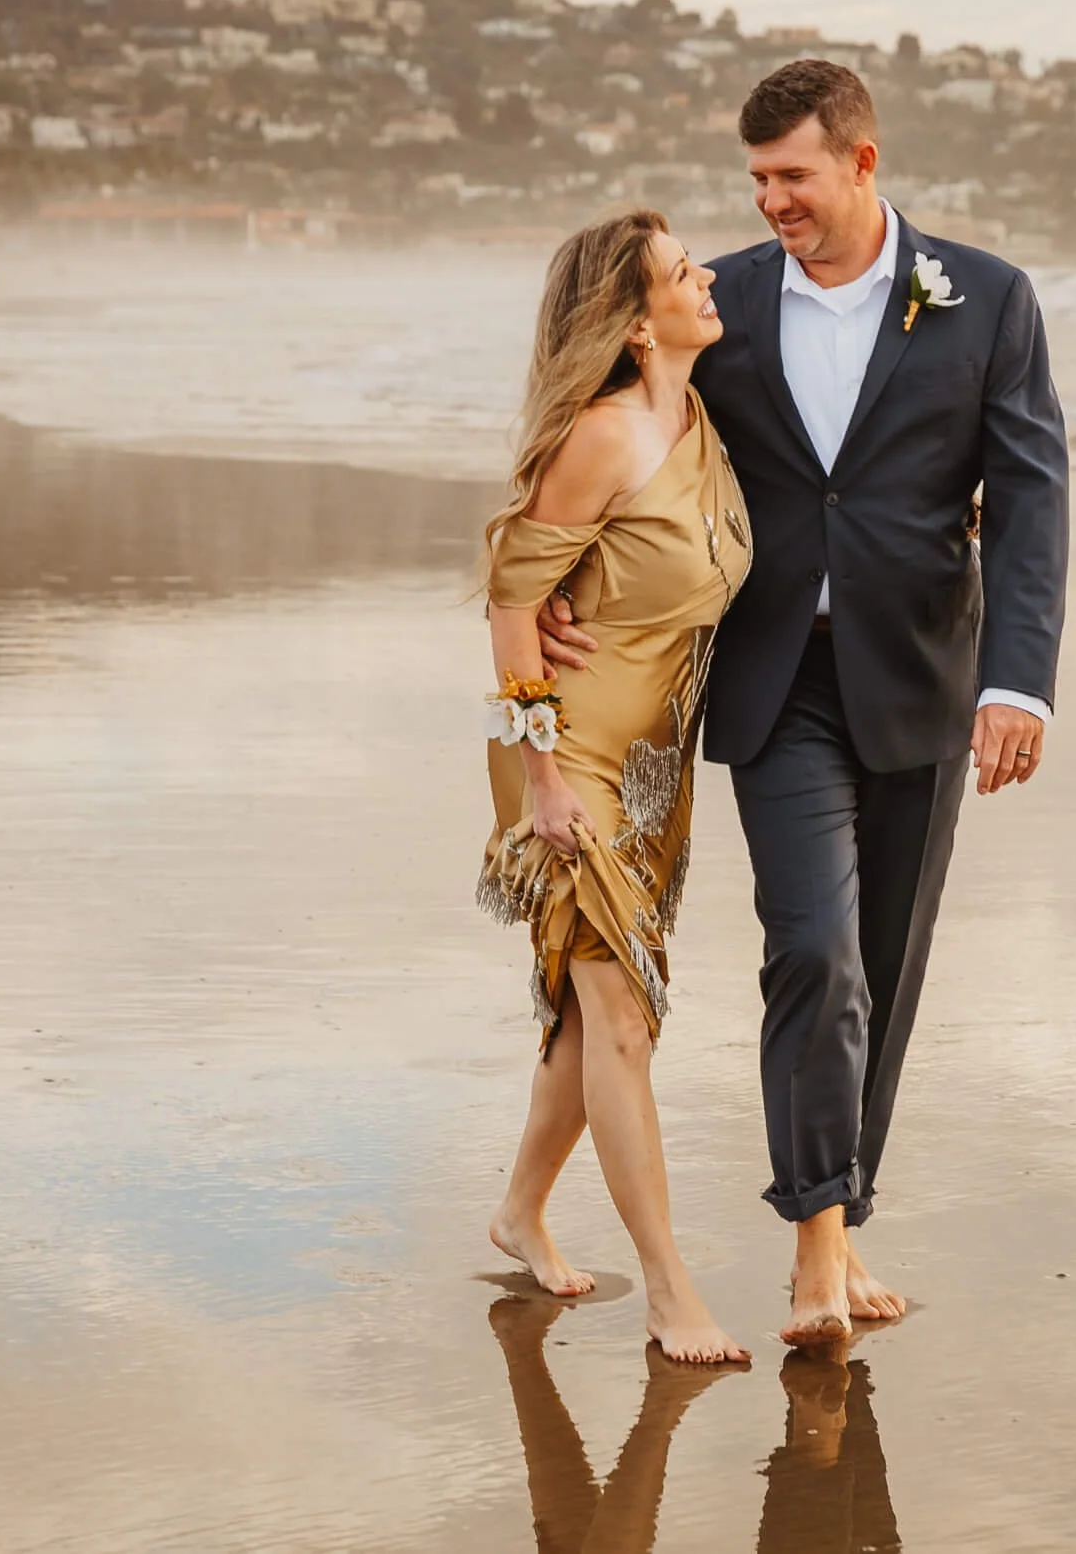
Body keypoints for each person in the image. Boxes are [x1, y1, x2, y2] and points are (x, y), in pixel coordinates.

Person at [543, 60, 1069, 1345]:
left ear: (861, 163)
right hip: (775, 680)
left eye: (793, 175)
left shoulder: (986, 299)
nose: (771, 199)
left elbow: (1033, 490)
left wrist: (1019, 679)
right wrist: (553, 582)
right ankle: (813, 1249)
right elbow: (615, 419)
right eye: (757, 179)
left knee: (883, 965)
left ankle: (841, 1217)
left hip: (926, 680)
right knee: (814, 951)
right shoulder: (717, 302)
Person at [480, 209, 753, 1365]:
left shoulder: (699, 415)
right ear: (637, 325)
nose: (706, 274)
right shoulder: (598, 437)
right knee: (623, 1019)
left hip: (658, 766)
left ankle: (517, 1208)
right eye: (681, 272)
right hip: (576, 762)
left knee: (594, 1015)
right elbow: (507, 602)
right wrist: (541, 776)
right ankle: (667, 1284)